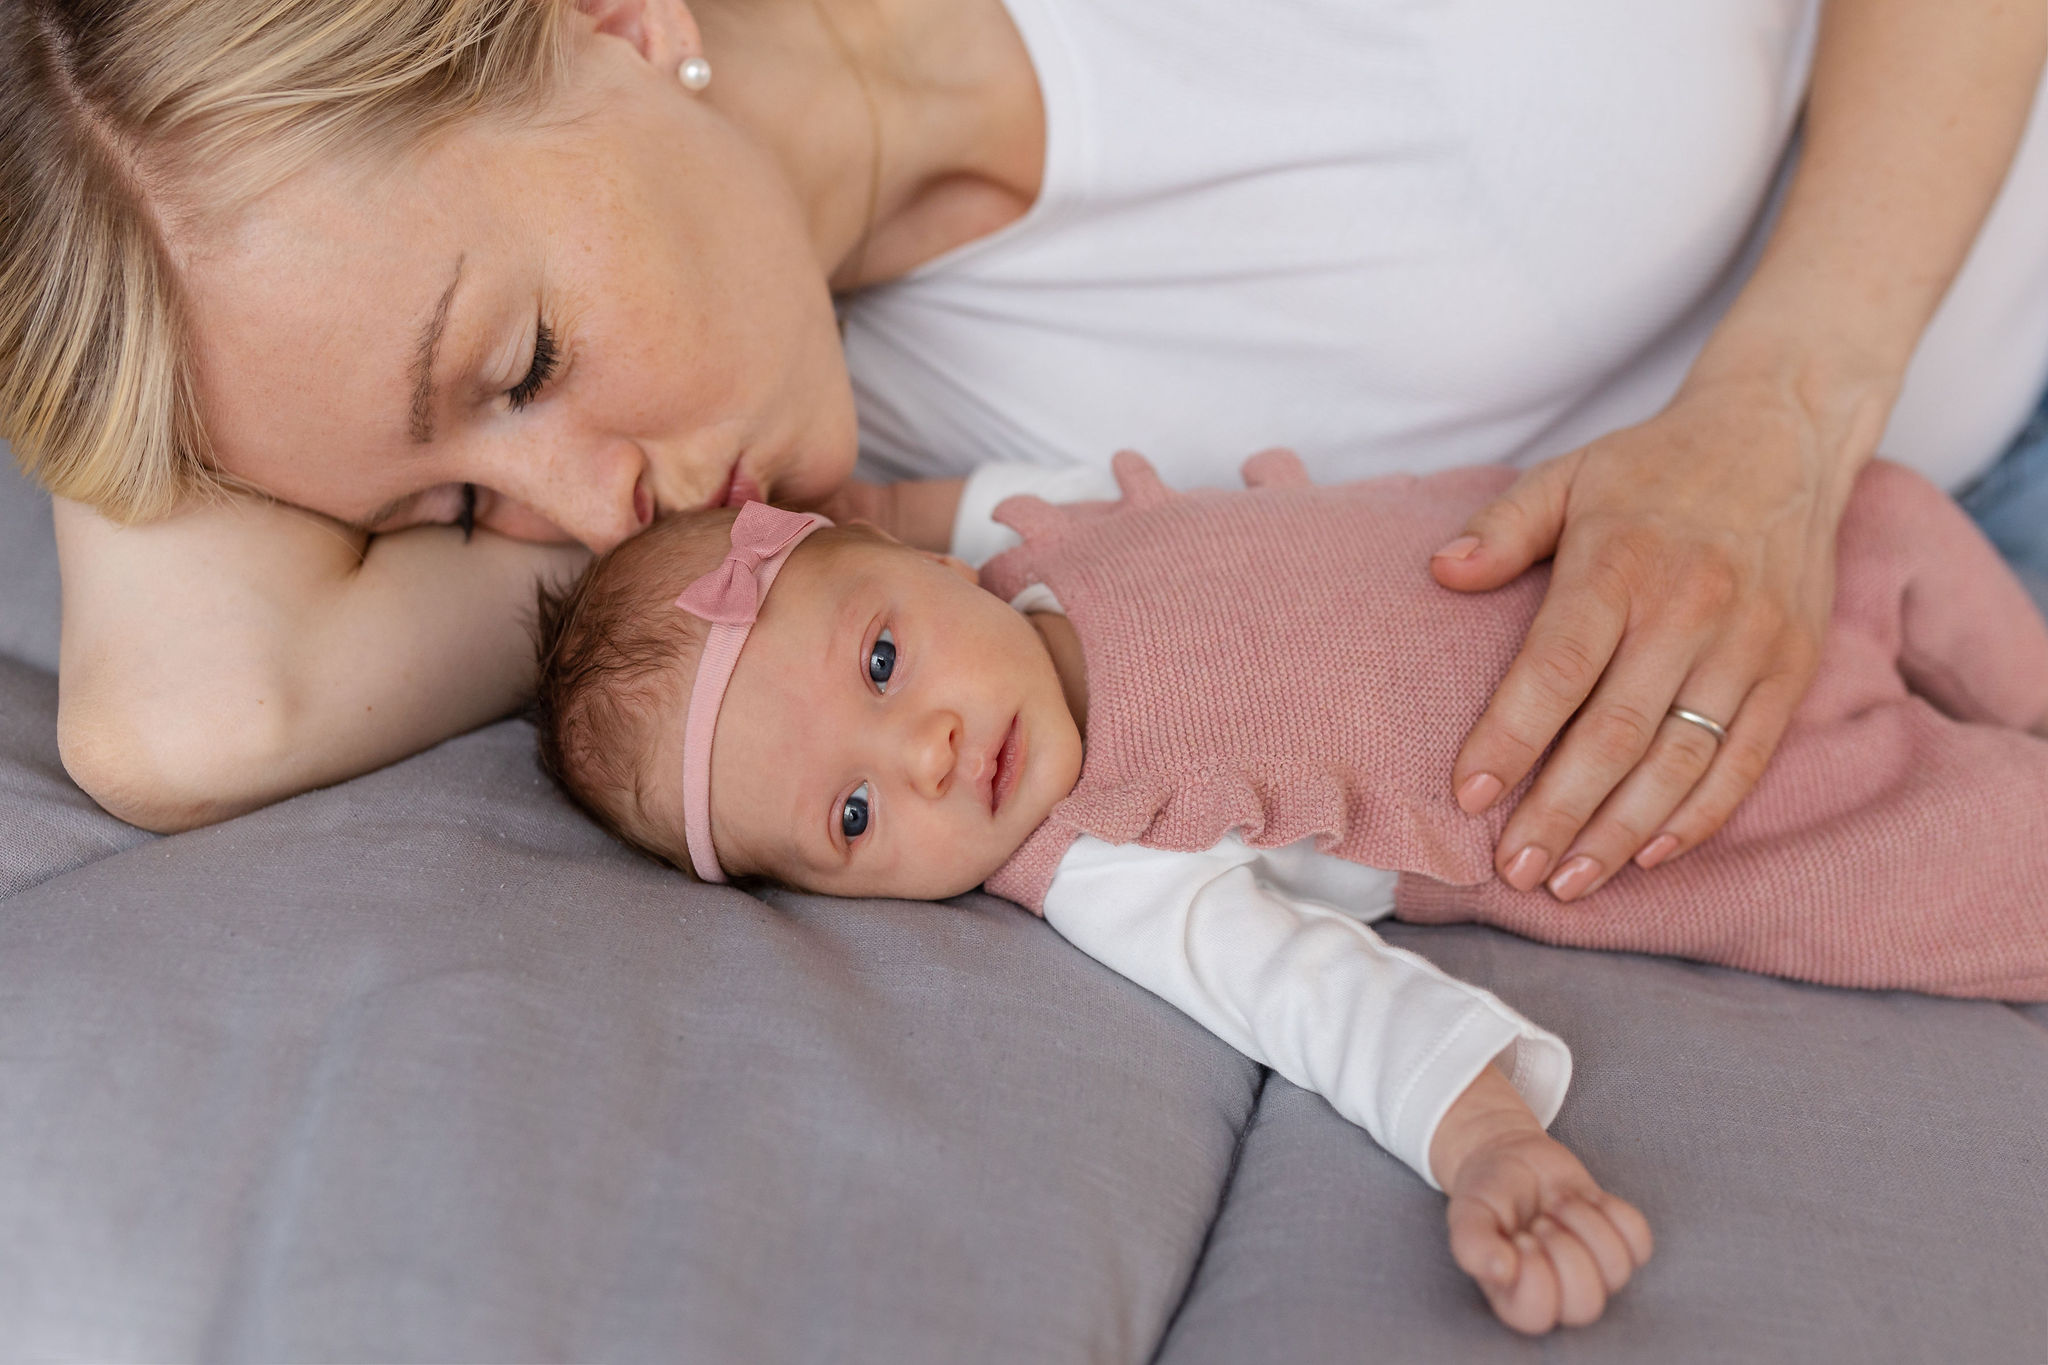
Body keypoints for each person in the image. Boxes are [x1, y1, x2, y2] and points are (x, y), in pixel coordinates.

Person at [4, 0, 2046, 909]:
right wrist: (114, 177)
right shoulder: (845, 515)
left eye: (522, 359)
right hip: (1949, 610)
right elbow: (194, 713)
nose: (588, 516)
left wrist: (1781, 416)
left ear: (613, 23)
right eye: (452, 512)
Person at [524, 448, 2048, 1329]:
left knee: (1884, 513)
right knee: (1982, 874)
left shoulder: (1031, 548)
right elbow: (1318, 999)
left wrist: (852, 489)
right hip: (1692, 796)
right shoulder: (1106, 862)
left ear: (897, 562)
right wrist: (1491, 1142)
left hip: (1633, 556)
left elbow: (936, 499)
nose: (921, 749)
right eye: (850, 812)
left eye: (877, 657)